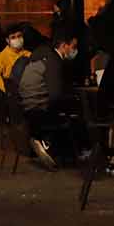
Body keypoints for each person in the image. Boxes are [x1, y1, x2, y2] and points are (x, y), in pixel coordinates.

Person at [16, 30, 80, 169]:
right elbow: (55, 95)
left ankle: (43, 143)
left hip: (27, 107)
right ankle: (57, 149)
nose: (75, 50)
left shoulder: (42, 55)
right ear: (64, 45)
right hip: (38, 110)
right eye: (73, 46)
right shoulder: (54, 62)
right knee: (78, 116)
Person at [0, 25, 29, 94]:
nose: (17, 39)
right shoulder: (0, 57)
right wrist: (6, 90)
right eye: (13, 37)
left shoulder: (28, 54)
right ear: (7, 40)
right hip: (12, 91)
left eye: (19, 36)